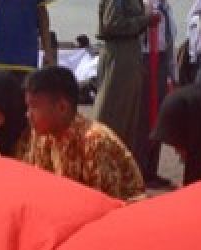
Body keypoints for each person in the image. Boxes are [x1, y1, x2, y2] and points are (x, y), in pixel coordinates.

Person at [25, 65, 146, 201]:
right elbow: (41, 188)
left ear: (62, 107)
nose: (28, 114)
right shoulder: (43, 135)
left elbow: (104, 205)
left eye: (34, 107)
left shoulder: (95, 141)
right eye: (28, 107)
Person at [93, 0, 157, 166]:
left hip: (130, 54)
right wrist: (144, 20)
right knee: (112, 112)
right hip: (118, 55)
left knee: (128, 116)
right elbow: (112, 24)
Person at [138, 0, 177, 186]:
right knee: (145, 118)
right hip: (147, 61)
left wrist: (173, 73)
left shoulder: (167, 7)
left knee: (158, 118)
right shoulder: (146, 4)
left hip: (161, 62)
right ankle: (142, 169)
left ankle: (152, 168)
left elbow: (170, 43)